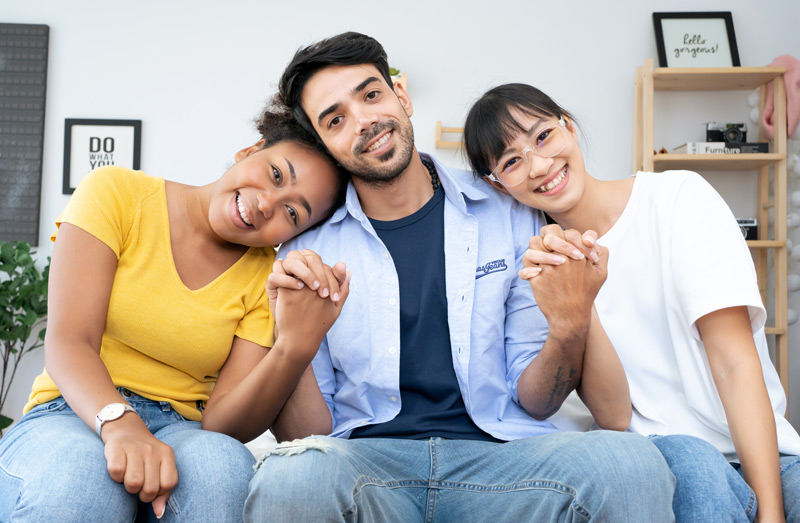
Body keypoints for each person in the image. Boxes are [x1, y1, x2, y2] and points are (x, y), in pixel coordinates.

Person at [244, 32, 676, 522]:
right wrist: (294, 338)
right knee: (289, 477)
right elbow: (308, 437)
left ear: (400, 95)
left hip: (502, 460)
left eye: (371, 95)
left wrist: (569, 325)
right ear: (324, 143)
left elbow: (536, 401)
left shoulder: (510, 215)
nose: (364, 121)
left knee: (631, 465)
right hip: (369, 467)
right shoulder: (305, 252)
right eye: (336, 119)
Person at [462, 82, 800, 522]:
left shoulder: (678, 198)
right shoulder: (540, 269)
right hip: (663, 465)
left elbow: (735, 364)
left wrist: (770, 514)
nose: (540, 166)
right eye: (511, 162)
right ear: (500, 187)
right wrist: (578, 292)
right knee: (687, 457)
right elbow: (616, 416)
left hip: (763, 457)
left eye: (543, 136)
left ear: (568, 126)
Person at [0, 108, 350, 522]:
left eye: (293, 213)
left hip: (183, 428)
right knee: (81, 484)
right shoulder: (116, 192)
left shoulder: (264, 279)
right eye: (276, 174)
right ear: (251, 150)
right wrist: (121, 425)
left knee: (225, 471)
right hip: (73, 410)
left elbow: (223, 423)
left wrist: (293, 345)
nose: (265, 204)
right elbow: (68, 341)